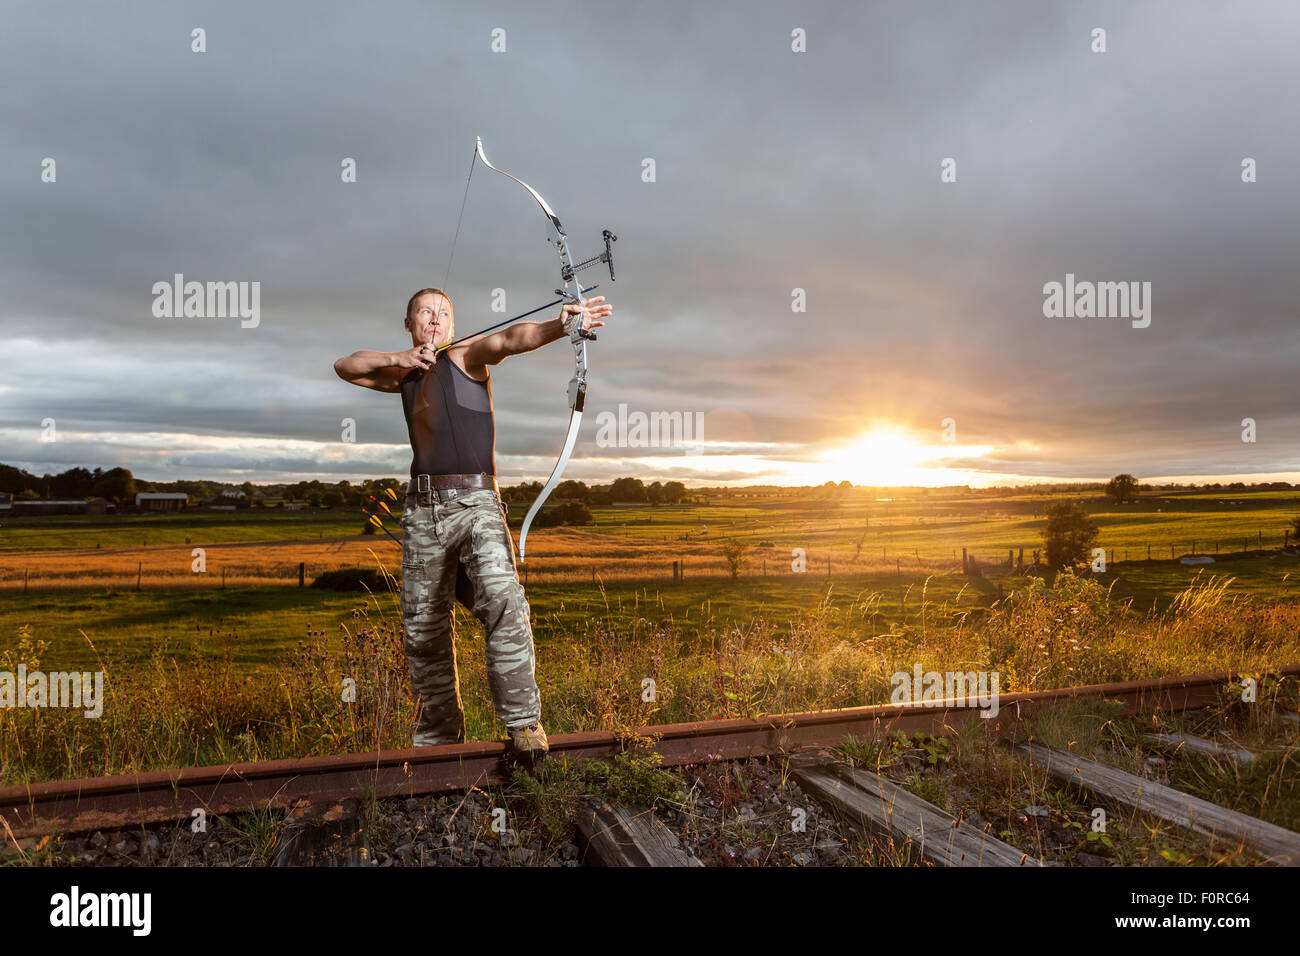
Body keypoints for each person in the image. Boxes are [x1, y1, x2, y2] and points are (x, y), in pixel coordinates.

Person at [333, 288, 612, 763]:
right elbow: (347, 365)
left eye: (444, 313)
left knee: (503, 597)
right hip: (421, 511)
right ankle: (439, 751)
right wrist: (402, 358)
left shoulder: (467, 354)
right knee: (423, 630)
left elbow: (509, 339)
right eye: (425, 312)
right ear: (410, 323)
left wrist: (560, 326)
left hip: (476, 504)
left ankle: (524, 727)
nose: (436, 320)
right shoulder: (403, 372)